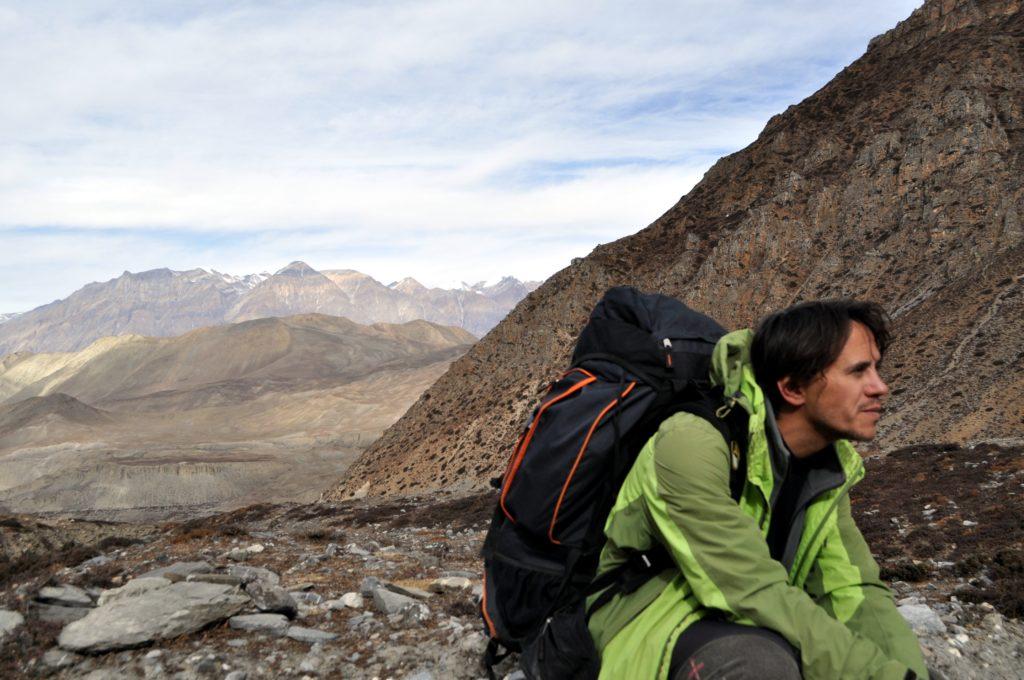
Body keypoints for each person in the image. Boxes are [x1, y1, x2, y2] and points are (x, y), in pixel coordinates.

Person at [586, 300, 930, 679]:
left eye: (877, 368)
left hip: (743, 614)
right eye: (859, 370)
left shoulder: (827, 468)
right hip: (647, 615)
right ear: (793, 387)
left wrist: (910, 673)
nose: (880, 388)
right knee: (759, 665)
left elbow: (854, 590)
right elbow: (748, 587)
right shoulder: (691, 442)